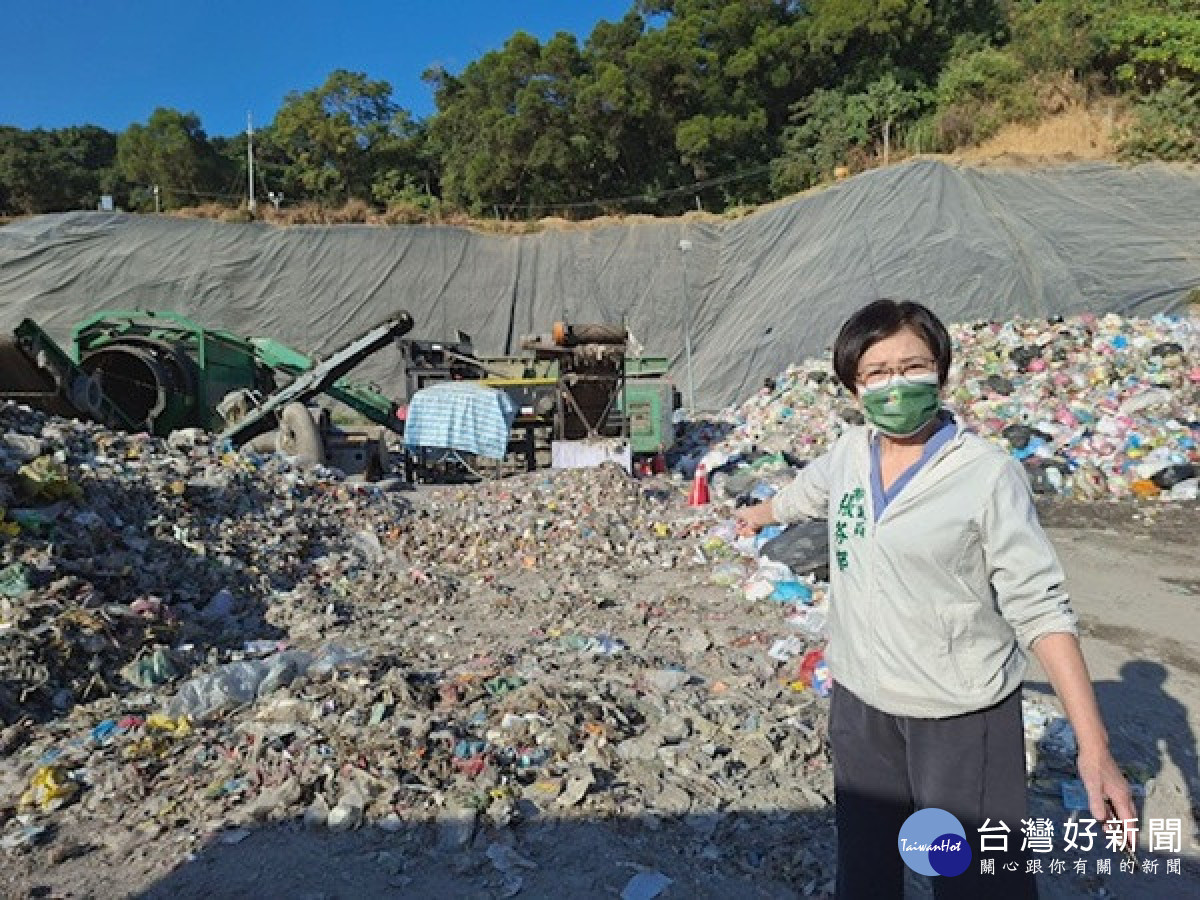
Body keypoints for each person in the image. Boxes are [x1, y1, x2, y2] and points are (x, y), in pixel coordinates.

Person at [735, 299, 1134, 899]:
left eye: (912, 367)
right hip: (863, 706)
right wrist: (757, 515)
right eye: (877, 372)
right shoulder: (849, 455)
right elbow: (804, 496)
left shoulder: (986, 474)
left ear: (941, 374)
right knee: (866, 872)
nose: (896, 385)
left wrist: (1093, 747)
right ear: (854, 387)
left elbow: (1041, 607)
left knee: (974, 882)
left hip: (959, 719)